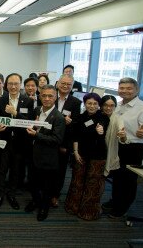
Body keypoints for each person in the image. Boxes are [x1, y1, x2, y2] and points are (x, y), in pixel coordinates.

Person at [104, 78, 143, 218]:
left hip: (133, 148)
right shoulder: (119, 105)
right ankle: (115, 200)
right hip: (118, 145)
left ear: (136, 90)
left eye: (129, 88)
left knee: (128, 180)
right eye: (122, 88)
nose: (124, 91)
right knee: (117, 176)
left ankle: (122, 208)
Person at [64, 93, 109, 220]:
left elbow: (101, 127)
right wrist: (76, 152)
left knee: (92, 183)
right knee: (77, 181)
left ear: (99, 105)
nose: (92, 106)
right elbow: (76, 136)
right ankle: (73, 207)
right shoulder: (80, 117)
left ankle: (88, 212)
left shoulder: (103, 117)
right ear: (85, 104)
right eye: (89, 103)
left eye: (95, 103)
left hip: (97, 155)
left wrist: (100, 130)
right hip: (81, 153)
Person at [0, 73, 34, 210]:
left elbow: (28, 123)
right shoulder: (0, 100)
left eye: (16, 83)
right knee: (1, 170)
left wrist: (15, 113)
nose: (13, 86)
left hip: (20, 142)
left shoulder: (27, 101)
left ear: (20, 85)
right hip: (4, 141)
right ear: (6, 85)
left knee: (16, 171)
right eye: (10, 84)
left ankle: (11, 195)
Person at [25, 85, 66, 221]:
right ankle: (35, 201)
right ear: (40, 96)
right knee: (32, 182)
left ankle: (44, 207)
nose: (47, 99)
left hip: (48, 158)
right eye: (44, 96)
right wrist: (34, 128)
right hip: (33, 155)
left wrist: (36, 134)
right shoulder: (37, 110)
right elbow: (33, 126)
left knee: (46, 186)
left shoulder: (58, 117)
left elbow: (57, 140)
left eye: (50, 96)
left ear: (55, 97)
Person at [52, 74, 82, 208]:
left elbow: (76, 126)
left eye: (68, 84)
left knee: (60, 171)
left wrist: (70, 122)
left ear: (72, 86)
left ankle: (55, 195)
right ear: (58, 83)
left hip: (63, 142)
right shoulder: (49, 96)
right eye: (63, 83)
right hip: (46, 139)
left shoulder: (76, 103)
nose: (65, 86)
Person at [100, 95, 124, 177]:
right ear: (101, 105)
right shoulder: (97, 115)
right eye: (105, 105)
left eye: (112, 105)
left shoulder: (118, 119)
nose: (108, 108)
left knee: (101, 178)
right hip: (94, 150)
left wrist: (122, 135)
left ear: (115, 106)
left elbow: (122, 135)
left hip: (107, 151)